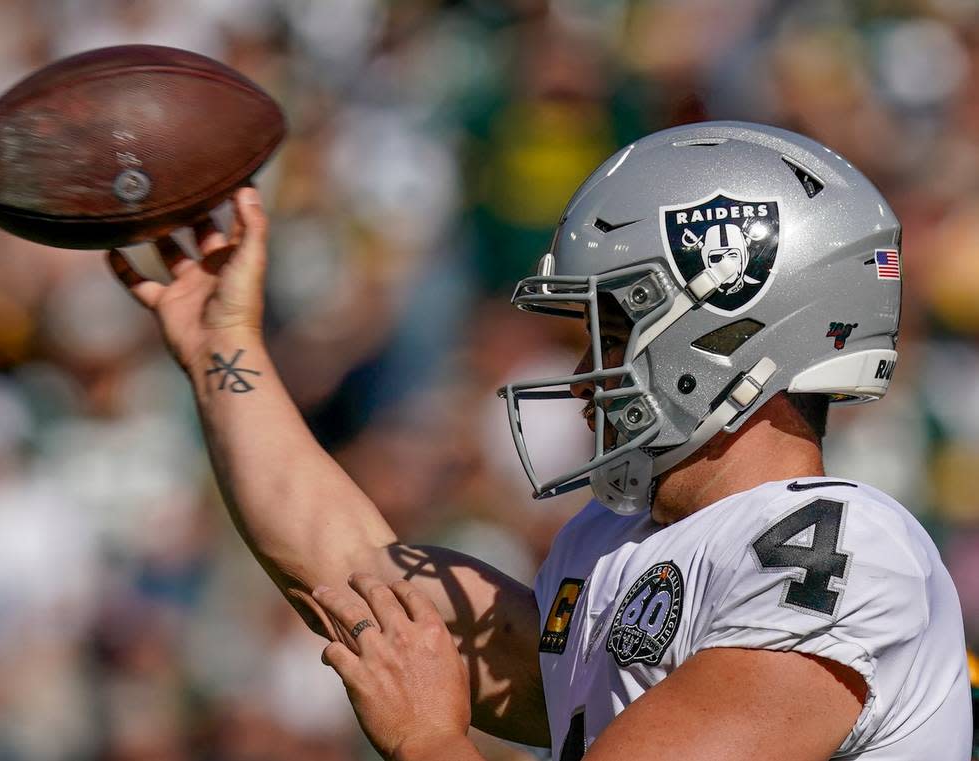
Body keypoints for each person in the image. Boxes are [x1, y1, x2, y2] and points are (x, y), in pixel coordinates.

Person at [107, 121, 971, 760]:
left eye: (612, 327)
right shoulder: (612, 543)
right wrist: (222, 348)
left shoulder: (838, 550)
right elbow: (357, 577)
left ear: (730, 333)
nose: (586, 369)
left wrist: (428, 739)